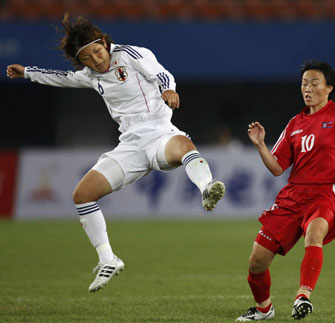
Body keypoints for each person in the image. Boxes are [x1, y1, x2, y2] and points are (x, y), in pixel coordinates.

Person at [6, 14, 225, 292]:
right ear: (82, 61)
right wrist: (26, 72)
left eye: (97, 51)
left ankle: (206, 187)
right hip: (130, 146)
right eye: (88, 58)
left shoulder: (131, 55)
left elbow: (160, 72)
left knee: (183, 146)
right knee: (82, 195)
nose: (96, 60)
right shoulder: (90, 76)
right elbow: (59, 78)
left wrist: (168, 88)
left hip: (159, 132)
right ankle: (108, 259)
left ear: (105, 44)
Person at [236, 59, 335, 321]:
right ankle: (264, 309)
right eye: (303, 83)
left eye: (314, 83)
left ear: (329, 88)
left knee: (315, 234)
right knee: (256, 262)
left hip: (324, 194)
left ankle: (303, 296)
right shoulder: (294, 124)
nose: (307, 88)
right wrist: (261, 145)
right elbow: (277, 168)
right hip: (293, 195)